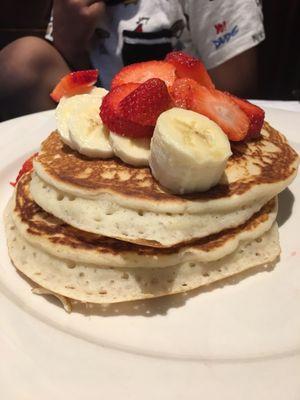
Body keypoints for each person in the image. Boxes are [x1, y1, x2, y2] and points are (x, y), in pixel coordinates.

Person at [0, 0, 265, 121]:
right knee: (21, 61)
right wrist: (69, 41)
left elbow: (235, 90)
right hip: (93, 119)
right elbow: (73, 82)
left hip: (184, 121)